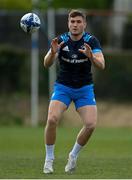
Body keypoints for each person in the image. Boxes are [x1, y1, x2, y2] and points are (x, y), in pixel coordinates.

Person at [43, 9, 105, 174]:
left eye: (78, 22)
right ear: (68, 23)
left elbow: (102, 64)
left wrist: (91, 56)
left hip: (84, 88)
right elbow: (46, 63)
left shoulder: (91, 41)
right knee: (52, 119)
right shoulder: (60, 40)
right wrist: (53, 53)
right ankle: (49, 160)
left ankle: (73, 156)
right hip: (63, 86)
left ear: (84, 24)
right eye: (72, 22)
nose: (75, 25)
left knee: (91, 125)